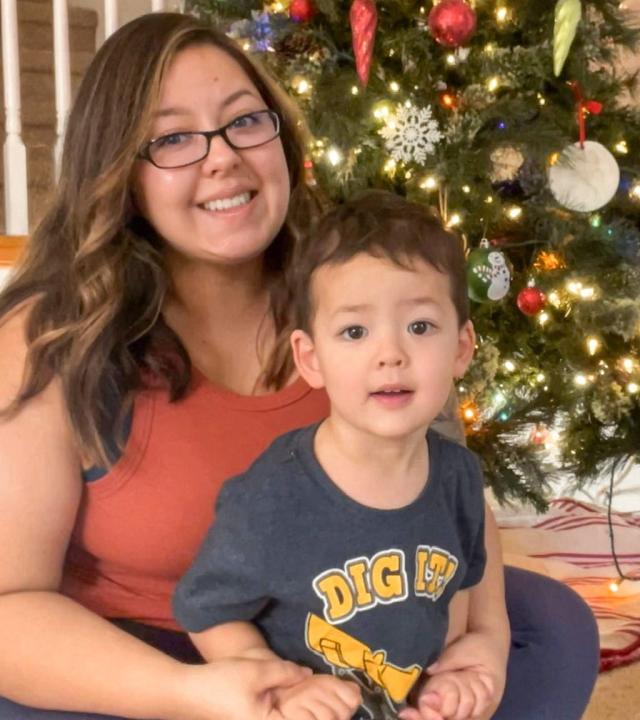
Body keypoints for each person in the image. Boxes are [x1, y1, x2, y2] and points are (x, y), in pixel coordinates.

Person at [0, 12, 598, 720]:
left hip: (335, 638)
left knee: (549, 628)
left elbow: (448, 495)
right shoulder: (51, 337)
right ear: (119, 173)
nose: (221, 158)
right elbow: (9, 607)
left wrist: (482, 643)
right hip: (149, 667)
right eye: (173, 139)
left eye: (244, 122)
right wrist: (195, 693)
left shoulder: (360, 291)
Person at [172, 190, 506, 720]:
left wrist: (467, 669)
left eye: (420, 326)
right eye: (354, 331)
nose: (390, 354)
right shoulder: (274, 495)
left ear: (462, 348)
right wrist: (278, 687)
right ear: (310, 359)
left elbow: (460, 588)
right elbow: (206, 612)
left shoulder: (457, 476)